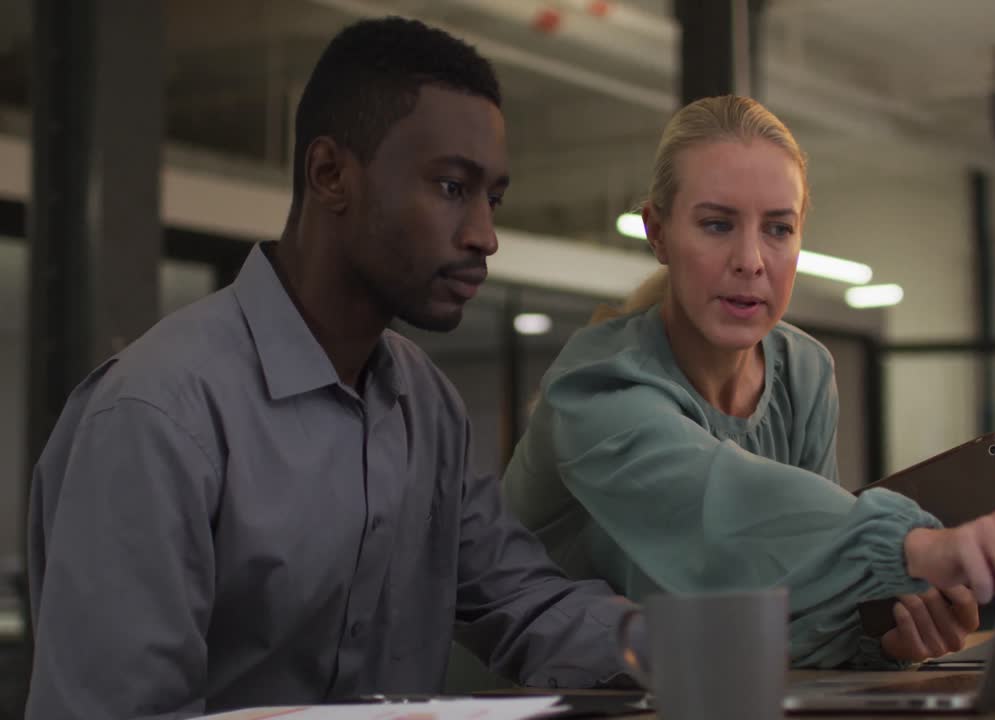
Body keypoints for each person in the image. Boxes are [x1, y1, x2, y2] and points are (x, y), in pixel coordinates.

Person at [26, 18, 637, 719]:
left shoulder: (426, 407)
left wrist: (665, 641)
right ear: (329, 174)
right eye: (449, 187)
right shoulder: (156, 416)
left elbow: (522, 601)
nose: (483, 234)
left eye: (490, 197)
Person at [503, 95, 995, 669]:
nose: (751, 259)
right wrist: (916, 546)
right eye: (716, 224)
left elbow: (796, 599)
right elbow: (720, 508)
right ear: (657, 232)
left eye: (778, 228)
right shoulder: (593, 386)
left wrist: (878, 643)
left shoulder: (804, 372)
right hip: (518, 700)